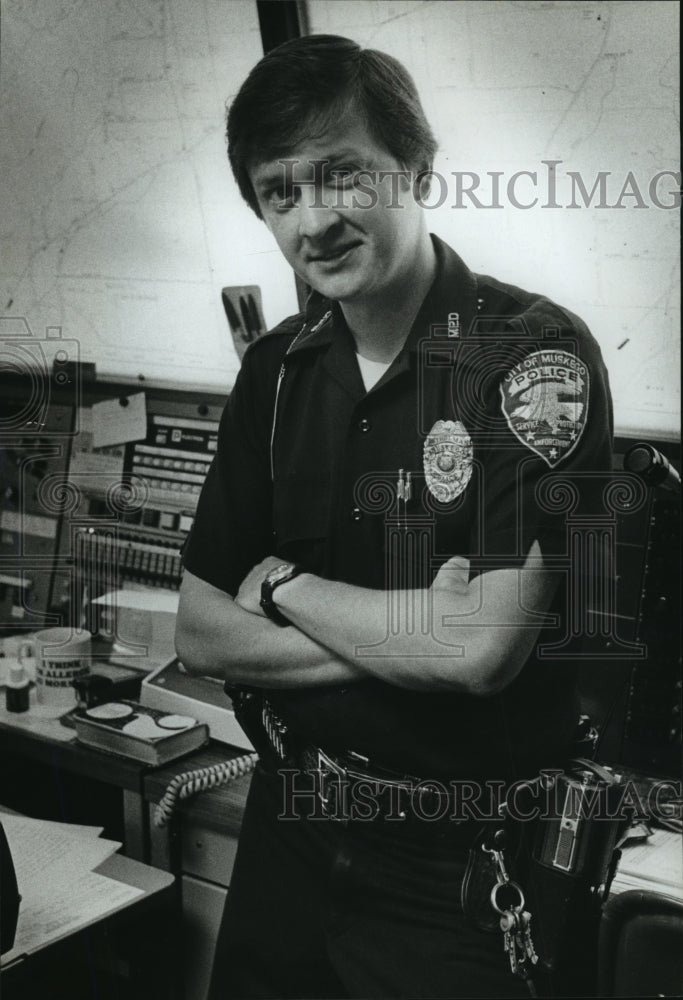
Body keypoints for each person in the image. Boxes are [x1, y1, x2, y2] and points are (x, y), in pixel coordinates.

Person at [176, 34, 614, 1000]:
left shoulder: (531, 359)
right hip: (289, 826)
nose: (313, 219)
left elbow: (483, 653)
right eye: (279, 191)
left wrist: (285, 589)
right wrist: (416, 632)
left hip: (456, 871)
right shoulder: (277, 372)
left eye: (341, 174)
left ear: (415, 168)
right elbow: (203, 634)